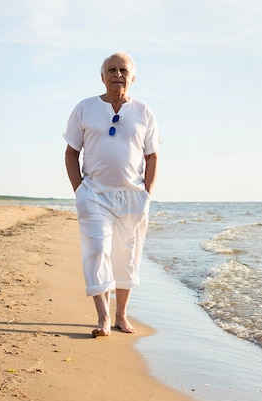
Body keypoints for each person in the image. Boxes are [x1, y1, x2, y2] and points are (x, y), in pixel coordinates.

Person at [63, 51, 161, 337]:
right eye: (112, 70)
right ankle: (103, 316)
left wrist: (147, 193)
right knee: (97, 250)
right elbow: (71, 152)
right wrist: (79, 189)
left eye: (123, 70)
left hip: (132, 196)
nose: (118, 74)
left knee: (127, 255)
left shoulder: (144, 112)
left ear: (133, 77)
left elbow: (153, 155)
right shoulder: (84, 108)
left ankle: (121, 315)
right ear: (102, 76)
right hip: (93, 193)